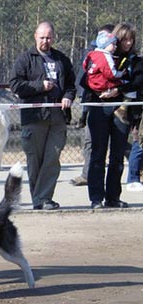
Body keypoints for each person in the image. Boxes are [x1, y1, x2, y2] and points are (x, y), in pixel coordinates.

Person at [9, 21, 76, 210]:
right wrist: (40, 86)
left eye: (49, 37)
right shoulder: (25, 59)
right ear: (35, 37)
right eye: (42, 37)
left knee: (52, 158)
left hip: (58, 117)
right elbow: (15, 85)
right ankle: (38, 199)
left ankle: (44, 198)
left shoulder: (61, 59)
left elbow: (71, 84)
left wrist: (68, 96)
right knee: (35, 159)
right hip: (34, 117)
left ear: (53, 38)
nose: (45, 41)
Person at [86, 23, 142, 207]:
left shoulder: (135, 60)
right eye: (124, 39)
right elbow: (86, 79)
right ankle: (96, 198)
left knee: (117, 155)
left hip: (122, 112)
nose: (128, 43)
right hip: (99, 109)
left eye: (131, 39)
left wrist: (117, 89)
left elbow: (138, 82)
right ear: (116, 39)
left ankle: (113, 197)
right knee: (98, 154)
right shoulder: (100, 55)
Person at [70, 24, 116, 187]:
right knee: (91, 141)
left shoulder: (118, 53)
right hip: (93, 104)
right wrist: (84, 106)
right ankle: (87, 174)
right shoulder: (92, 53)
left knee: (120, 144)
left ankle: (136, 169)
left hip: (117, 105)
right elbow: (84, 79)